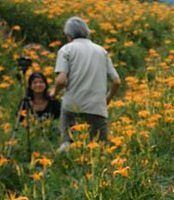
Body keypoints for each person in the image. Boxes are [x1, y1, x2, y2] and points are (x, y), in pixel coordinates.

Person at [49, 16, 120, 153]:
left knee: (68, 143)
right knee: (102, 148)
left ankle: (65, 167)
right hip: (96, 107)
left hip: (72, 106)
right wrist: (108, 98)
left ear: (69, 34)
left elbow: (61, 80)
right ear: (87, 32)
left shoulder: (66, 50)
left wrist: (54, 93)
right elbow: (116, 81)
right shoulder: (101, 51)